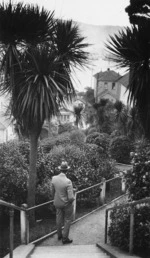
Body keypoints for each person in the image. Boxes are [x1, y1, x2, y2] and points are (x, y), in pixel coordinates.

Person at [51, 161, 75, 244]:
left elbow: (53, 192)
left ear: (60, 170)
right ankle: (65, 238)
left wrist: (54, 199)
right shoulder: (68, 181)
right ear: (67, 171)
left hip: (57, 203)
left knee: (58, 218)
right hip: (66, 204)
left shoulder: (54, 179)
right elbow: (71, 197)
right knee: (67, 219)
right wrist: (72, 198)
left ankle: (59, 235)